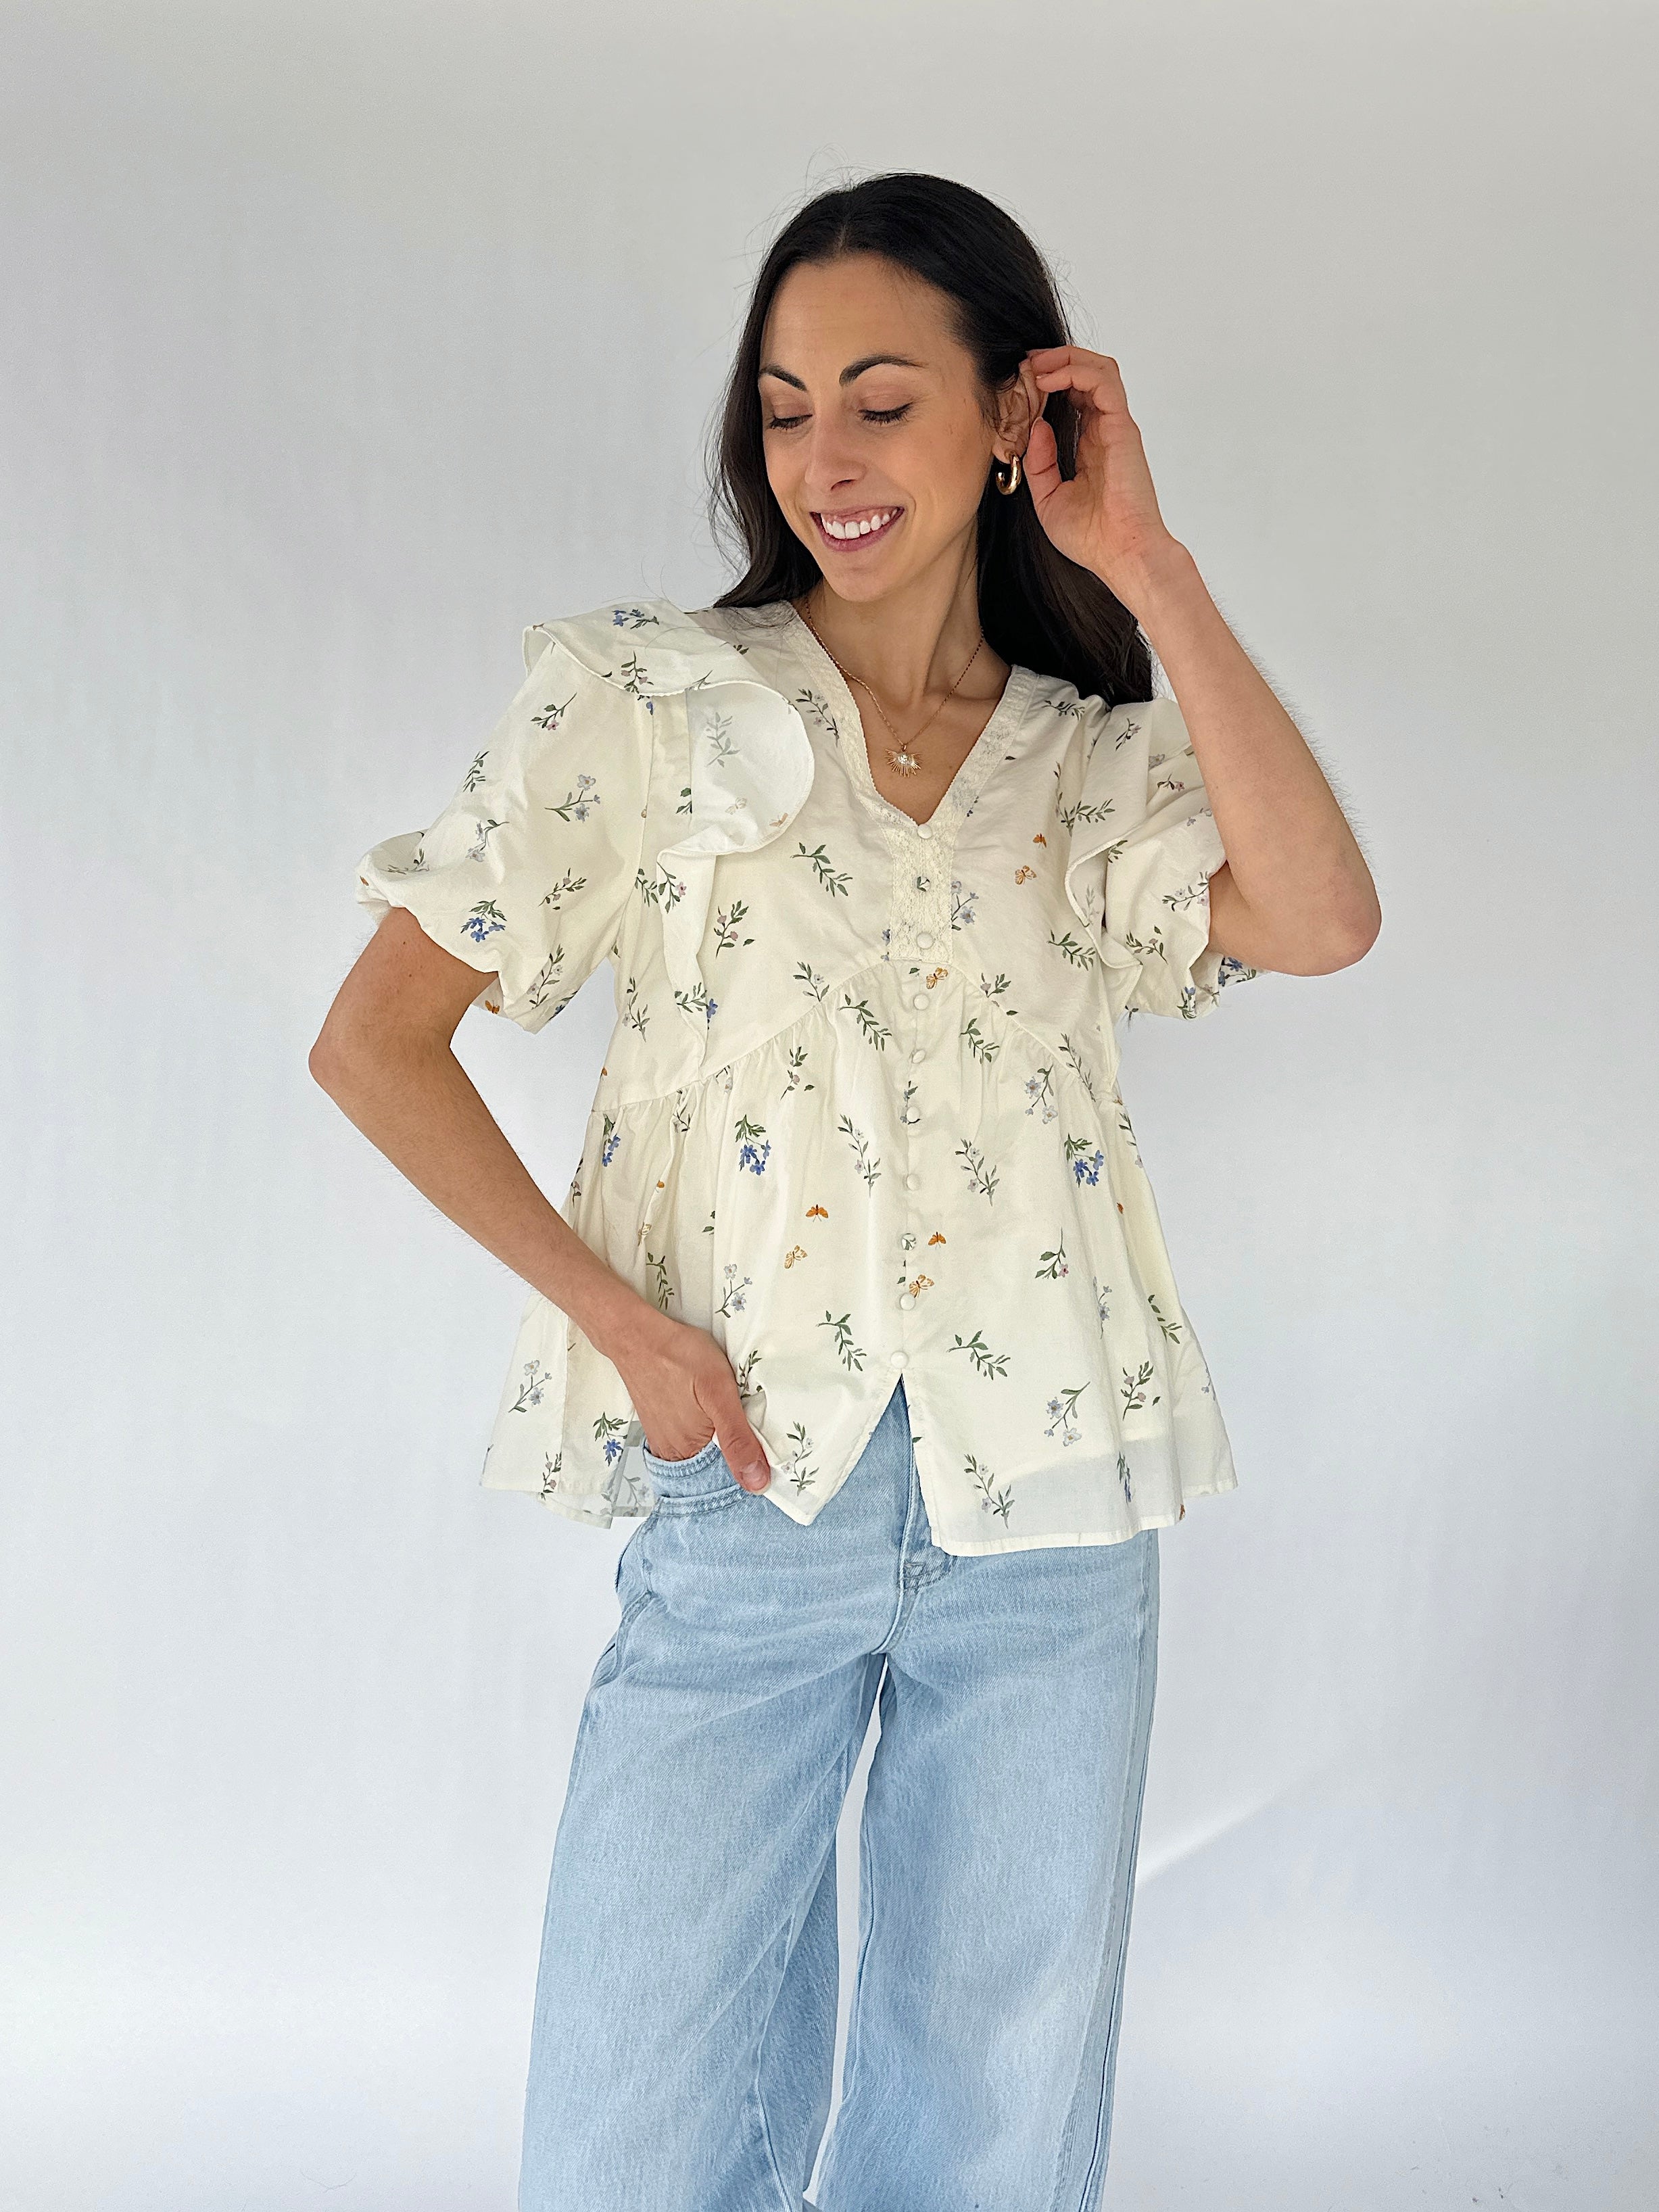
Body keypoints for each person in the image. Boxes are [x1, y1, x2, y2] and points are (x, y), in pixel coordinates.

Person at [310, 171, 1379, 2212]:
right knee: (632, 2132)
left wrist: (1146, 565)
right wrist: (624, 1326)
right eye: (788, 406)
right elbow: (375, 1040)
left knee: (988, 2121)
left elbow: (1322, 918)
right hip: (742, 1479)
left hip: (1054, 1514)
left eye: (882, 400)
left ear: (1012, 419)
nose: (824, 458)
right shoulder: (640, 703)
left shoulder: (1090, 763)